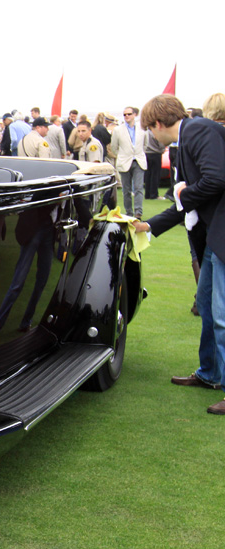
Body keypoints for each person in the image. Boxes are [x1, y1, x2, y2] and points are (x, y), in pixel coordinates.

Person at [131, 94, 225, 415]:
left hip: (221, 233)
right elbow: (186, 204)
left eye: (149, 129)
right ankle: (210, 373)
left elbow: (215, 179)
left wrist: (185, 192)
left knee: (222, 314)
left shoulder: (198, 130)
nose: (151, 135)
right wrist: (149, 225)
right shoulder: (188, 138)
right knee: (209, 309)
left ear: (158, 123)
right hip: (214, 236)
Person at [110, 106, 147, 219]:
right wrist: (122, 155)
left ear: (135, 115)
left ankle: (138, 213)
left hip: (139, 160)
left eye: (129, 114)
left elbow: (145, 145)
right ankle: (129, 212)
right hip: (124, 161)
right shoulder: (118, 130)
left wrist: (138, 154)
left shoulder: (142, 129)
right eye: (125, 114)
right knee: (126, 190)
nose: (126, 116)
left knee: (139, 188)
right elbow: (114, 147)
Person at [144, 121, 166, 199]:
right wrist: (162, 149)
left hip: (146, 154)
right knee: (155, 175)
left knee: (148, 175)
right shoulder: (155, 133)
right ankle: (154, 194)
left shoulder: (145, 132)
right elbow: (160, 144)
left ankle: (147, 194)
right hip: (155, 154)